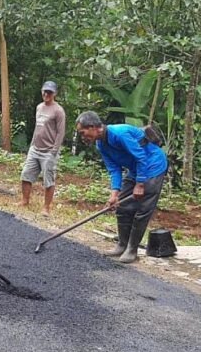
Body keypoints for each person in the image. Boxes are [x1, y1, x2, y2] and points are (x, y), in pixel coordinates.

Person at [76, 111, 168, 263]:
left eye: (83, 132)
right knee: (122, 206)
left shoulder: (119, 134)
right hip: (135, 169)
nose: (82, 136)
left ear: (92, 127)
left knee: (142, 209)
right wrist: (114, 194)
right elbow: (114, 169)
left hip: (152, 166)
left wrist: (140, 184)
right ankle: (122, 244)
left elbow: (141, 157)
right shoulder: (101, 144)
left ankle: (132, 249)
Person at [20, 81, 66, 215]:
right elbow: (37, 128)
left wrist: (54, 151)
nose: (46, 94)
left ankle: (46, 207)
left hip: (49, 151)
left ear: (55, 94)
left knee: (48, 180)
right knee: (26, 175)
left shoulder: (58, 111)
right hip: (35, 148)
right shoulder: (39, 107)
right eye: (45, 91)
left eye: (49, 92)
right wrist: (32, 145)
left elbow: (60, 132)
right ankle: (25, 200)